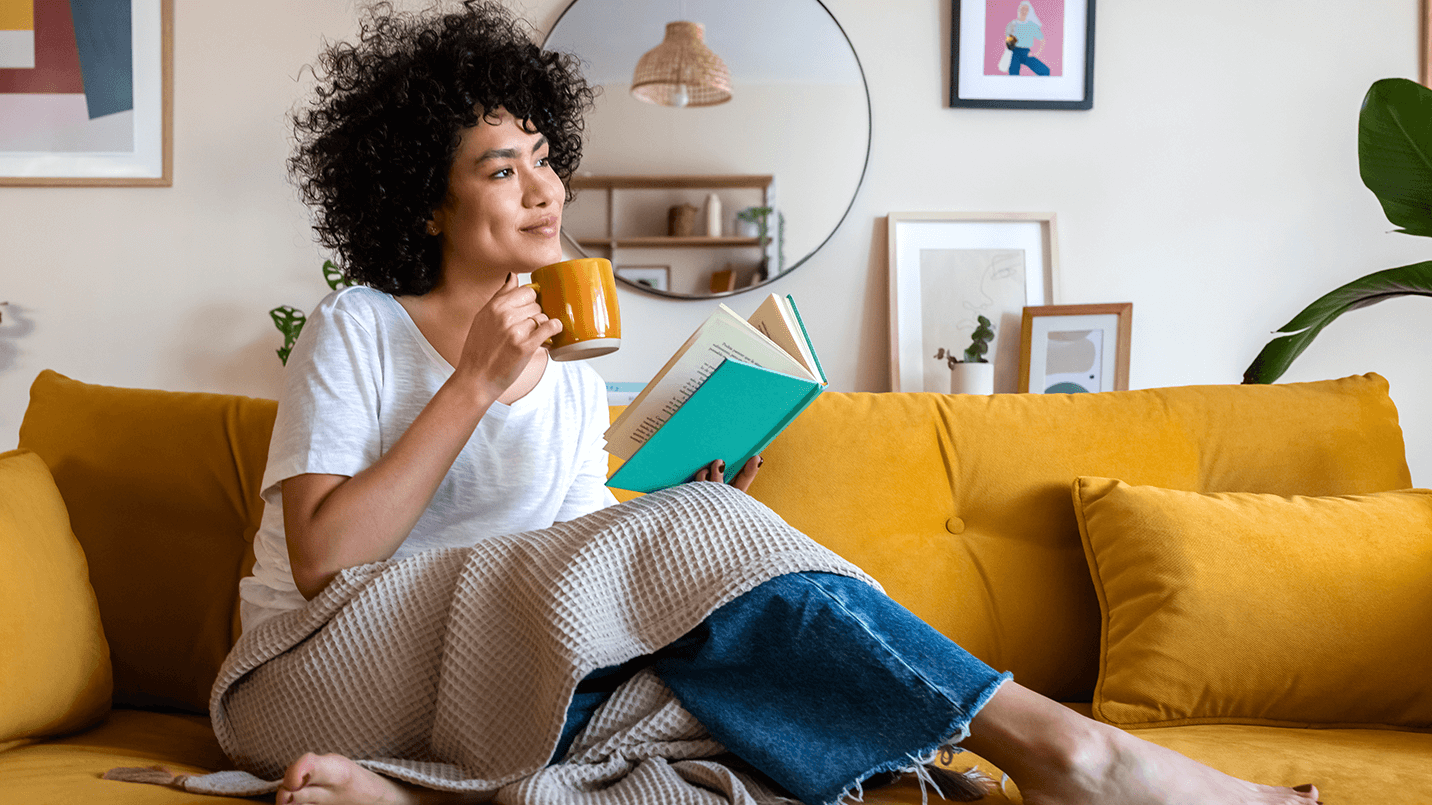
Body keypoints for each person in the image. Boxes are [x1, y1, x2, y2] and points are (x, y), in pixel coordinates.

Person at [237, 3, 1324, 804]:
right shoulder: (360, 328)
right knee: (722, 646)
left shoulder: (568, 371)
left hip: (487, 673)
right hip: (317, 672)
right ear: (425, 203)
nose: (544, 189)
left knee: (745, 722)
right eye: (499, 169)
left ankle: (420, 795)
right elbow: (328, 556)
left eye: (545, 159)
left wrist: (681, 507)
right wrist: (471, 383)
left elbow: (562, 558)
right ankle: (1074, 752)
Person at [1005, 1, 1051, 76]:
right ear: (1019, 10)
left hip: (1026, 52)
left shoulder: (1032, 25)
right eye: (1022, 9)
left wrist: (1036, 53)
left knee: (1045, 71)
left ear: (1029, 11)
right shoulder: (1012, 24)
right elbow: (1008, 40)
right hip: (1015, 51)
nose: (1024, 11)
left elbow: (1042, 41)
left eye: (1026, 9)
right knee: (1013, 74)